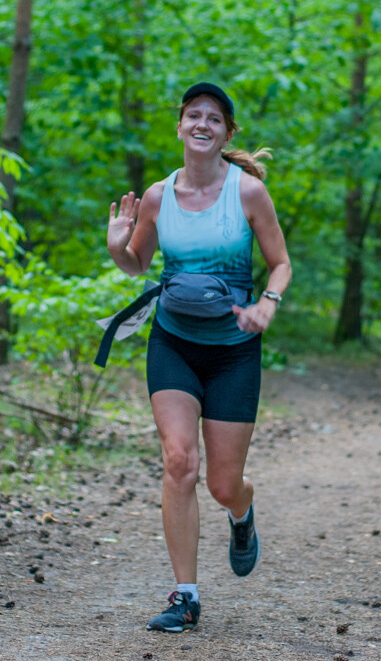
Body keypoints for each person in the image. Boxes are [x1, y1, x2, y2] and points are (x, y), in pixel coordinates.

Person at [106, 82, 292, 633]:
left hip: (234, 351)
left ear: (227, 132)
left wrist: (267, 303)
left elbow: (280, 264)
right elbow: (138, 263)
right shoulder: (159, 195)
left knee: (222, 484)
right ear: (181, 126)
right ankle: (185, 596)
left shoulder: (249, 193)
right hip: (174, 344)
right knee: (179, 461)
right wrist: (119, 245)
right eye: (193, 115)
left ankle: (242, 511)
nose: (202, 123)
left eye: (214, 117)